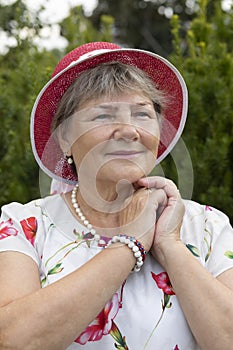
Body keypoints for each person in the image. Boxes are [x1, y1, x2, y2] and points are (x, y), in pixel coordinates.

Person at [0, 41, 233, 350]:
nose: (128, 130)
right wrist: (131, 244)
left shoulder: (207, 226)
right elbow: (14, 341)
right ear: (65, 138)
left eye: (142, 114)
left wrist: (170, 245)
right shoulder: (25, 225)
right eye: (103, 116)